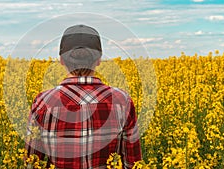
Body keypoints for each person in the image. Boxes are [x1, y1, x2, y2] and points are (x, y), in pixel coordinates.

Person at [25, 24, 142, 169]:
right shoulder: (122, 102)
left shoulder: (43, 102)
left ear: (61, 60)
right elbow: (133, 164)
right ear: (99, 60)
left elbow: (31, 163)